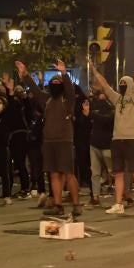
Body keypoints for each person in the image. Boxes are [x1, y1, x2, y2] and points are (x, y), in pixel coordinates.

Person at [16, 59, 81, 216]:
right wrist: (25, 74)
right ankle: (58, 205)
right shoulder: (47, 99)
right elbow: (35, 90)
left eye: (58, 82)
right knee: (53, 173)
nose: (55, 84)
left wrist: (64, 73)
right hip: (49, 141)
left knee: (68, 173)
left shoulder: (68, 99)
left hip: (64, 140)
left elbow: (70, 89)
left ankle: (76, 204)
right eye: (53, 82)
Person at [90, 56, 134, 215]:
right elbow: (105, 85)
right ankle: (118, 204)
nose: (122, 85)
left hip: (132, 139)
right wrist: (94, 71)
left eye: (125, 83)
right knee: (118, 173)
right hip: (117, 140)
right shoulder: (117, 98)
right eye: (121, 83)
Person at [88, 92, 114, 206]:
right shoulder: (95, 112)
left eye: (104, 98)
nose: (101, 100)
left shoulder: (112, 112)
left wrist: (91, 114)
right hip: (94, 145)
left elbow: (106, 120)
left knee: (113, 172)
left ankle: (124, 194)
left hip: (107, 146)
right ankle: (95, 196)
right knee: (95, 172)